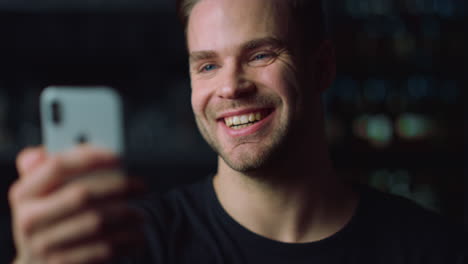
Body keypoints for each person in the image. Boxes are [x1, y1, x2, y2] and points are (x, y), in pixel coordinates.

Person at [8, 0, 467, 263]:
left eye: (262, 55)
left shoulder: (431, 247)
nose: (229, 86)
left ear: (321, 67)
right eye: (207, 65)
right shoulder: (131, 244)